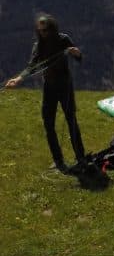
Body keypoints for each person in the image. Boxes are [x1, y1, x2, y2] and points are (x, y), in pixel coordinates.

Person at [4, 14, 87, 174]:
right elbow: (32, 66)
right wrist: (18, 79)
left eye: (46, 30)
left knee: (71, 120)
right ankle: (58, 161)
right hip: (49, 87)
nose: (43, 33)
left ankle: (81, 158)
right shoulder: (38, 45)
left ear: (52, 28)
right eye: (40, 30)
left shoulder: (63, 39)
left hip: (65, 85)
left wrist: (76, 53)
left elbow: (79, 57)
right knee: (48, 124)